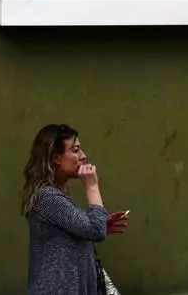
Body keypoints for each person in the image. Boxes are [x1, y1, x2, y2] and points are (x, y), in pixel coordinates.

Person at [22, 123, 128, 295]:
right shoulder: (48, 197)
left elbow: (87, 231)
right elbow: (95, 232)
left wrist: (101, 225)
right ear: (56, 157)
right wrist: (92, 186)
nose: (83, 156)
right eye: (76, 149)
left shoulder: (56, 195)